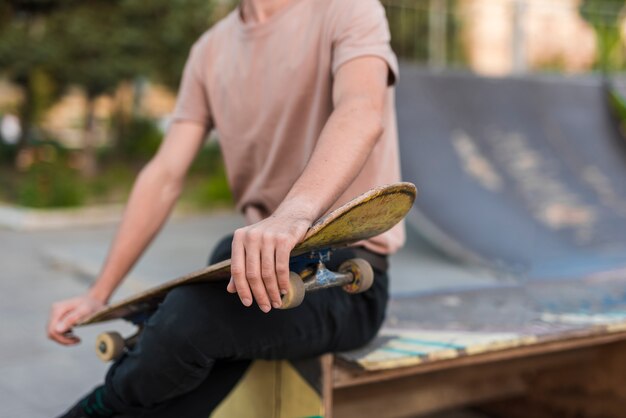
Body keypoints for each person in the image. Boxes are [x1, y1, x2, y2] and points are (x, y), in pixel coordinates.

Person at [49, 0, 403, 416]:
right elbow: (165, 174)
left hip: (343, 279)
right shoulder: (210, 50)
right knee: (182, 368)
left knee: (190, 321)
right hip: (249, 261)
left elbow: (360, 111)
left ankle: (100, 407)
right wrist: (99, 292)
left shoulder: (347, 10)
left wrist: (293, 214)